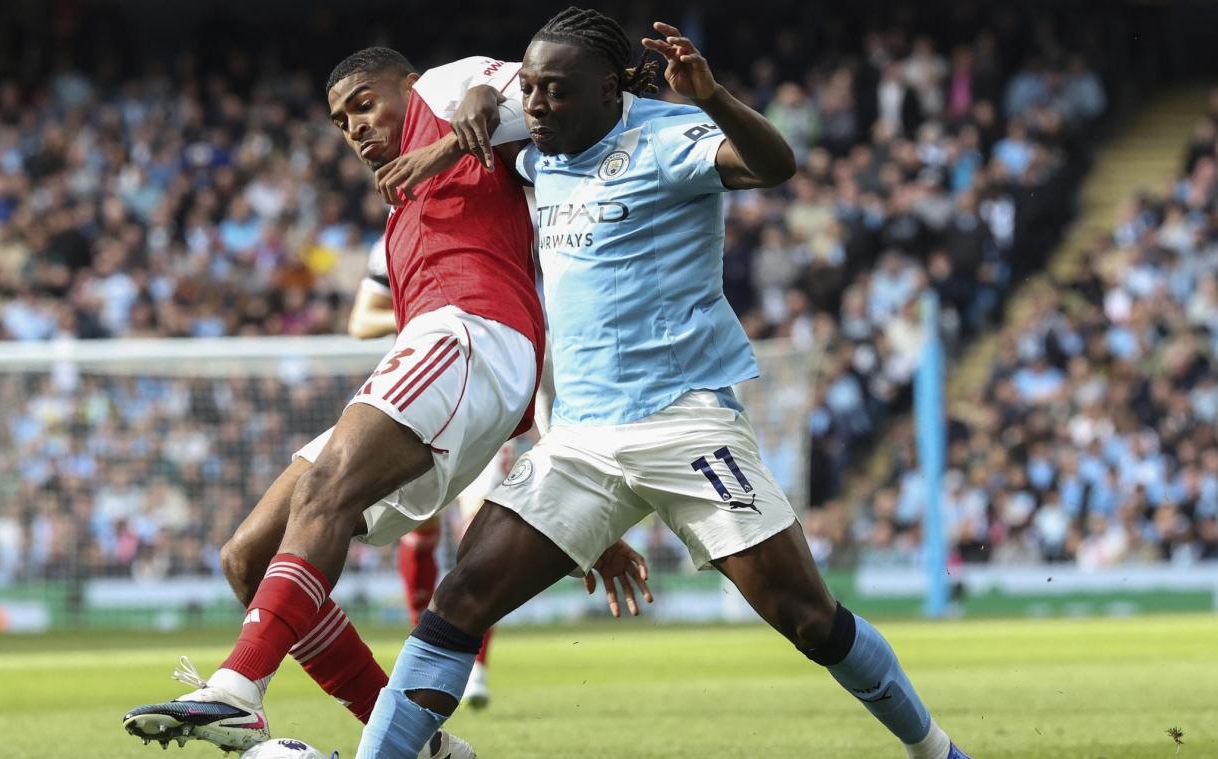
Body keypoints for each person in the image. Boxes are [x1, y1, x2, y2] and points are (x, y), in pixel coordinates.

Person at [355, 9, 970, 759]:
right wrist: (472, 114)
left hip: (686, 423)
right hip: (580, 441)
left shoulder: (668, 137)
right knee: (458, 603)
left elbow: (774, 166)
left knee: (810, 619)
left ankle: (937, 750)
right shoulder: (537, 153)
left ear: (611, 91)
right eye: (529, 86)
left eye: (554, 90)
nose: (537, 103)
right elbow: (487, 103)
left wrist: (710, 97)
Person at [121, 47, 649, 756]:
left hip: (470, 335)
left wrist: (476, 107)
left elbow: (536, 85)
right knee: (247, 555)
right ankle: (417, 742)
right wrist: (584, 498)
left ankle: (238, 688)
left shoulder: (442, 86)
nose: (356, 127)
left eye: (365, 104)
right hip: (456, 357)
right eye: (342, 121)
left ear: (406, 84)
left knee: (327, 489)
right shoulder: (403, 211)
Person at [348, 235, 498, 708]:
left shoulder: (499, 224)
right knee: (422, 526)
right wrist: (432, 315)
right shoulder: (391, 241)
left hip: (487, 398)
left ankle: (474, 664)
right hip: (421, 399)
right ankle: (423, 652)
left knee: (480, 529)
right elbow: (360, 321)